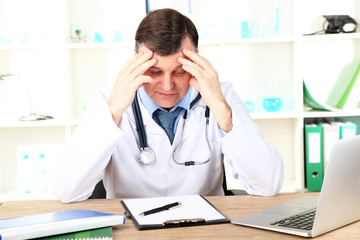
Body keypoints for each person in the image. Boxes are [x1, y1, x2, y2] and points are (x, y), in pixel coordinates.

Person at [53, 8, 283, 203]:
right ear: (136, 60)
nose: (167, 85)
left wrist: (223, 112)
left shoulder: (220, 96)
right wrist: (113, 112)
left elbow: (268, 185)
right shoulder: (106, 102)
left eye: (179, 71)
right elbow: (66, 191)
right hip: (132, 230)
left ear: (196, 60)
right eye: (155, 71)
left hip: (205, 229)